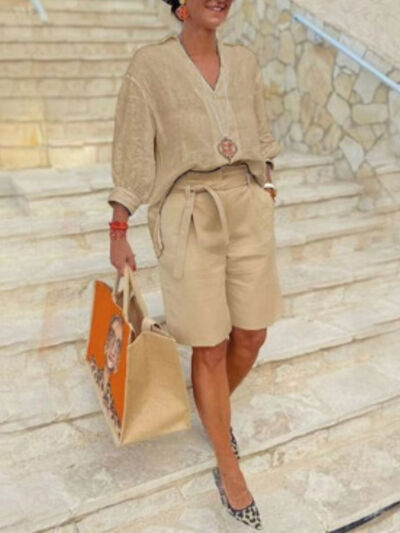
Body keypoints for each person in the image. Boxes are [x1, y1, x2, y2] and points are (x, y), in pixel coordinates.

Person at [108, 0, 285, 529]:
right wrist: (119, 227)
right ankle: (229, 468)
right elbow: (133, 151)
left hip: (246, 205)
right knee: (209, 345)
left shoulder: (245, 62)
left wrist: (267, 186)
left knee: (251, 335)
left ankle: (212, 412)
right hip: (187, 211)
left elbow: (262, 133)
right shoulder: (149, 65)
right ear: (179, 4)